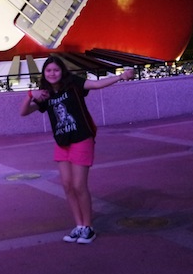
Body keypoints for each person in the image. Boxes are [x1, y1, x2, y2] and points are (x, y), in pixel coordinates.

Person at [20, 55, 135, 244]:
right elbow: (23, 112)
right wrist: (30, 95)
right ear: (44, 73)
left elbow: (96, 85)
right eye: (48, 70)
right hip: (62, 142)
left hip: (81, 138)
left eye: (56, 70)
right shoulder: (46, 94)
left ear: (62, 71)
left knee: (79, 185)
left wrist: (120, 77)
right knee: (67, 185)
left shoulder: (73, 84)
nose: (52, 73)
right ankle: (79, 225)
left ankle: (88, 227)